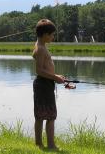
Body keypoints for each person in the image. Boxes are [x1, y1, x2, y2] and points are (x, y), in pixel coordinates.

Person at [32, 19, 65, 150]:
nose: (53, 37)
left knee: (40, 115)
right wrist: (55, 77)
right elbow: (39, 70)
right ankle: (51, 145)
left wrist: (56, 77)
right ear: (45, 34)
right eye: (51, 34)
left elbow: (43, 69)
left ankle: (39, 143)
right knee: (50, 116)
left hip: (45, 83)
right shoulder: (40, 49)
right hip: (44, 84)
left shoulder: (39, 44)